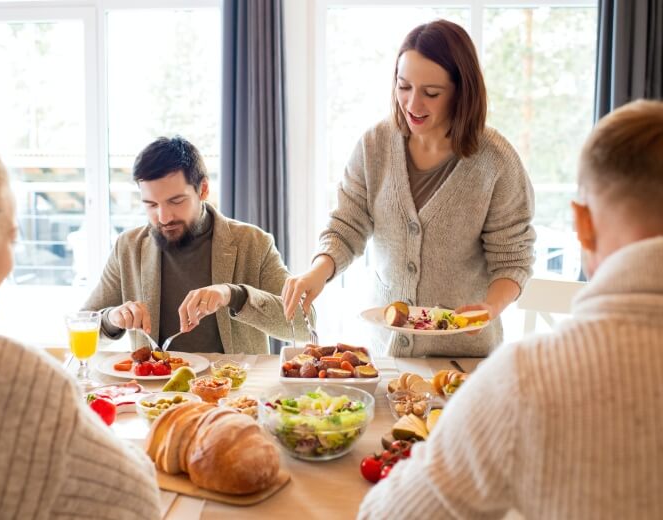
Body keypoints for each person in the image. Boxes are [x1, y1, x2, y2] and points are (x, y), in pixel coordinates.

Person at [358, 99, 663, 518]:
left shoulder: (525, 379)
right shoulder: (375, 145)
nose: (414, 102)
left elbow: (390, 515)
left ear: (583, 224)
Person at [0, 95, 161, 519]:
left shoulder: (246, 240)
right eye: (13, 237)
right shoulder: (8, 374)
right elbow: (139, 504)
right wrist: (112, 318)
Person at [282, 19, 536, 357]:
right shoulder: (374, 146)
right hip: (387, 355)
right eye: (404, 87)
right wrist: (319, 270)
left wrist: (489, 308)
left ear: (462, 91)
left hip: (464, 359)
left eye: (431, 93)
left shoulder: (497, 161)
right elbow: (347, 225)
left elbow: (514, 257)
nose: (413, 105)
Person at [82, 136, 309, 354]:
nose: (163, 217)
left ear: (203, 190)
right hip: (156, 391)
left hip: (236, 389)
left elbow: (302, 324)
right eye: (151, 204)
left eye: (176, 201)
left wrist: (234, 295)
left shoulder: (253, 242)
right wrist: (112, 318)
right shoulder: (128, 247)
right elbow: (84, 323)